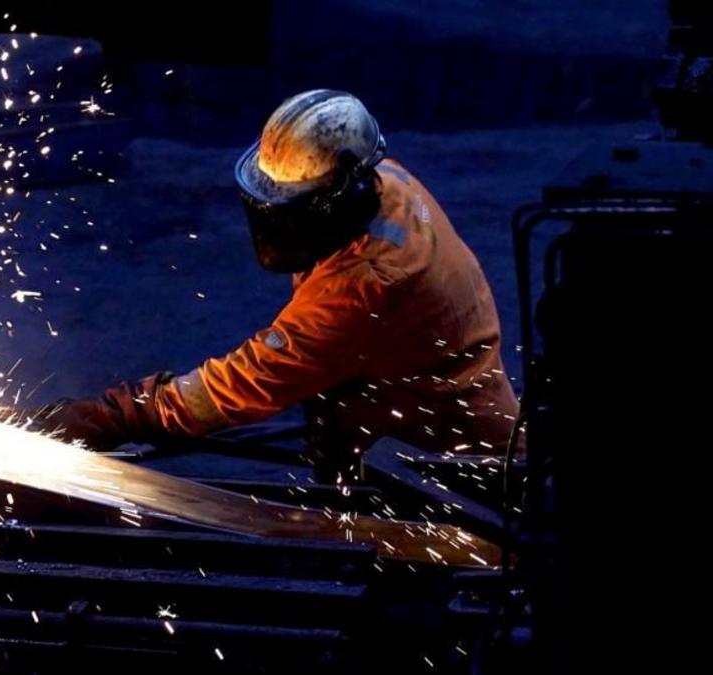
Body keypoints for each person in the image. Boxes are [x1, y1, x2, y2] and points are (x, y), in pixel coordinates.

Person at [48, 90, 519, 478]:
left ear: (338, 195)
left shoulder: (366, 284)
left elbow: (249, 379)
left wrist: (121, 414)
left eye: (294, 208)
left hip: (446, 466)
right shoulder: (387, 181)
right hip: (410, 398)